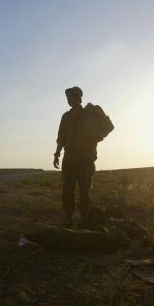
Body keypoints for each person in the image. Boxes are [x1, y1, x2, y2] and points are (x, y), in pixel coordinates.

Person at [54, 87, 99, 228]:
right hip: (69, 158)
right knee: (67, 189)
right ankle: (68, 217)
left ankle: (84, 217)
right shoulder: (65, 117)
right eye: (67, 98)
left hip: (85, 158)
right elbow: (61, 137)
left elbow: (97, 134)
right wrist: (57, 154)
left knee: (84, 190)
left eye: (71, 97)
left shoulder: (88, 114)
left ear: (78, 98)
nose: (68, 100)